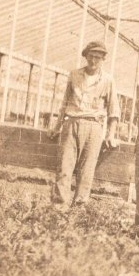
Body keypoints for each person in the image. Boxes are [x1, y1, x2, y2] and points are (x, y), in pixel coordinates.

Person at [50, 41, 120, 207]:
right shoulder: (74, 75)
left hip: (93, 127)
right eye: (91, 56)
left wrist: (110, 134)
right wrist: (56, 127)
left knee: (87, 170)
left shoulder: (108, 80)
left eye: (98, 57)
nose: (93, 60)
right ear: (85, 56)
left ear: (103, 59)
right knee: (64, 167)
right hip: (72, 123)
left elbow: (114, 111)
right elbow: (65, 104)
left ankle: (79, 207)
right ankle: (59, 206)